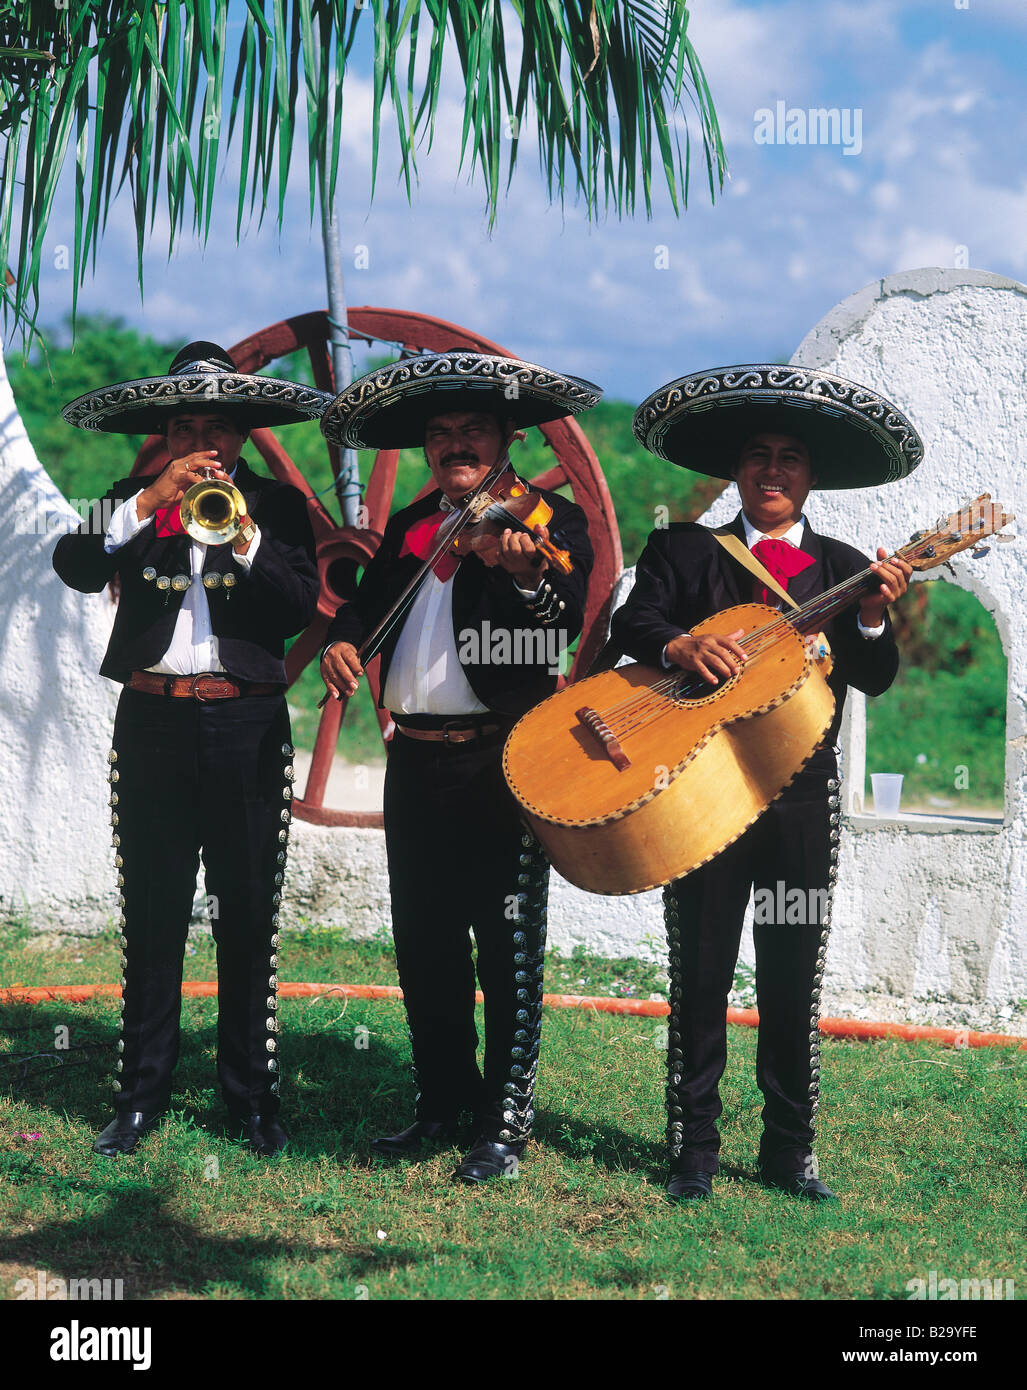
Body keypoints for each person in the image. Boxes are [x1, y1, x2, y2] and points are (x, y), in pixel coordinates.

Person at [615, 364, 922, 1202]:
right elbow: (630, 623)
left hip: (798, 797)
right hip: (699, 794)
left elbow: (876, 674)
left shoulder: (845, 566)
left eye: (790, 456)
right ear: (737, 472)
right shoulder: (680, 548)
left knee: (791, 973)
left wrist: (867, 615)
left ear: (809, 475)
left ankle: (790, 1153)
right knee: (700, 972)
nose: (773, 470)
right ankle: (694, 1153)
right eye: (758, 455)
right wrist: (677, 647)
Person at [319, 350, 599, 1183]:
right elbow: (366, 609)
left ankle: (501, 1125)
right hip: (415, 762)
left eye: (472, 429)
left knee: (506, 943)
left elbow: (560, 619)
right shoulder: (411, 522)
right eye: (440, 434)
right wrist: (341, 641)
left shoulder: (545, 520)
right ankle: (440, 1102)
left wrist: (517, 571)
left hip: (501, 763)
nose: (454, 444)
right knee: (425, 943)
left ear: (507, 436)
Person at [53, 342, 329, 1157]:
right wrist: (146, 505)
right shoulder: (128, 502)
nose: (202, 440)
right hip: (153, 722)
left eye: (217, 426)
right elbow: (73, 563)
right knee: (154, 914)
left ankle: (250, 1102)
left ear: (240, 437)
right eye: (184, 427)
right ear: (166, 436)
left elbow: (296, 602)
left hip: (245, 722)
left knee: (246, 917)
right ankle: (139, 1099)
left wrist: (239, 532)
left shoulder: (276, 506)